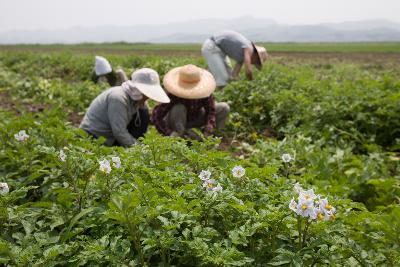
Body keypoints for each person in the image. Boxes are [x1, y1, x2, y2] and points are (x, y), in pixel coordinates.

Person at [80, 68, 170, 146]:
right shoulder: (118, 98)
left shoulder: (137, 99)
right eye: (147, 93)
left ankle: (130, 145)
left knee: (144, 112)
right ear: (138, 90)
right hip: (94, 137)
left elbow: (146, 120)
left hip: (110, 136)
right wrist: (139, 149)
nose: (148, 97)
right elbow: (119, 131)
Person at [152, 64, 230, 140]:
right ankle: (180, 137)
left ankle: (213, 136)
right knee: (178, 108)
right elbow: (156, 115)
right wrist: (169, 133)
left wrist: (210, 125)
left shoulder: (203, 90)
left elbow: (210, 110)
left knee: (223, 108)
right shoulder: (173, 93)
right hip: (177, 120)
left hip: (195, 117)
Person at [201, 30, 268, 87]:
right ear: (256, 55)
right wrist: (251, 85)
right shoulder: (248, 48)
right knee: (223, 79)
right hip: (212, 46)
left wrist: (235, 84)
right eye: (256, 61)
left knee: (228, 79)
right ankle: (213, 98)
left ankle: (206, 83)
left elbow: (234, 76)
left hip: (220, 50)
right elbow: (248, 72)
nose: (253, 63)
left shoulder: (243, 56)